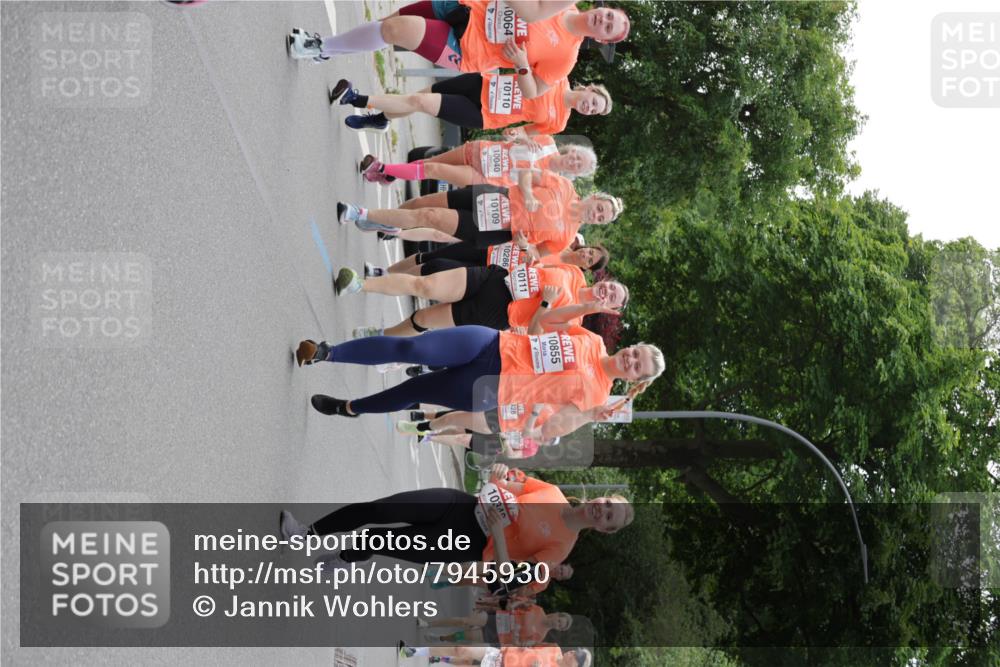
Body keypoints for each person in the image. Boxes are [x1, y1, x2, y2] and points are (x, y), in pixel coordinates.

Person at [293, 319, 662, 427]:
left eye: (636, 367)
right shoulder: (593, 339)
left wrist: (586, 417)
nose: (631, 360)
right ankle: (326, 353)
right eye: (636, 353)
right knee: (414, 347)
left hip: (489, 388)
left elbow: (556, 424)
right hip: (493, 345)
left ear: (634, 380)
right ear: (632, 346)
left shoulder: (597, 396)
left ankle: (350, 408)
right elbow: (543, 325)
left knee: (414, 388)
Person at [278, 462, 633, 573]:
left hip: (467, 542)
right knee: (380, 509)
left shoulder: (560, 547)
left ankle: (344, 558)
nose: (602, 508)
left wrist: (497, 531)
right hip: (462, 505)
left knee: (376, 538)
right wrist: (500, 474)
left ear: (604, 530)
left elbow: (509, 576)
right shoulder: (552, 492)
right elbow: (512, 481)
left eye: (608, 516)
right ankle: (305, 532)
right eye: (607, 503)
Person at [287, 0, 629, 88]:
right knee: (390, 24)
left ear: (601, 38)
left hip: (468, 47)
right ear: (603, 8)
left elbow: (535, 91)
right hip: (465, 7)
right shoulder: (562, 6)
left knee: (397, 30)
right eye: (610, 15)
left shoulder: (565, 56)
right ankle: (325, 49)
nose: (605, 20)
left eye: (610, 27)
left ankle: (321, 48)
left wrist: (523, 64)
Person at [336, 170, 623, 261]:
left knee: (431, 217)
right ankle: (379, 219)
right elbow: (526, 174)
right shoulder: (564, 186)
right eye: (601, 208)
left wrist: (525, 246)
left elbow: (536, 255)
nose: (598, 214)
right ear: (595, 197)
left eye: (603, 218)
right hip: (493, 196)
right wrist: (529, 192)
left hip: (494, 228)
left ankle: (359, 213)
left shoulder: (567, 237)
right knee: (424, 203)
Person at [338, 265, 627, 337]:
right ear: (605, 281)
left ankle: (380, 335)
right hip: (497, 281)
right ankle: (360, 284)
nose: (608, 294)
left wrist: (546, 303)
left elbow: (536, 334)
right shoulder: (574, 272)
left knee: (425, 320)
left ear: (610, 309)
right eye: (612, 288)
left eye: (613, 299)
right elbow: (540, 262)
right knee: (425, 285)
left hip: (497, 314)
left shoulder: (574, 321)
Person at [327, 73, 611, 134]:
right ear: (589, 89)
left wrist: (518, 135)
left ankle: (356, 98)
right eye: (593, 102)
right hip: (482, 84)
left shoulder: (559, 122)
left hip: (483, 114)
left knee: (418, 101)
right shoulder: (558, 76)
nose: (590, 108)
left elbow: (527, 133)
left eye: (594, 111)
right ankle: (381, 118)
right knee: (420, 96)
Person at [358, 134, 596, 186]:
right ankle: (390, 174)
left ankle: (382, 168)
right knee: (430, 162)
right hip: (482, 151)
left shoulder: (552, 181)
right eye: (577, 156)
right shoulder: (546, 142)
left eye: (578, 166)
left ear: (575, 173)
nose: (573, 161)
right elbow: (511, 135)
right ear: (572, 150)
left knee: (431, 169)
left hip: (486, 177)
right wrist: (522, 140)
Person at [365, 240, 608, 280]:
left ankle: (389, 279)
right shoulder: (561, 243)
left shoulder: (565, 273)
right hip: (492, 249)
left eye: (590, 259)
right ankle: (385, 272)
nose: (586, 255)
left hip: (493, 273)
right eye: (590, 251)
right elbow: (531, 240)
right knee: (434, 254)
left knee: (437, 268)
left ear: (587, 267)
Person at [422, 602, 571, 646]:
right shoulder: (539, 610)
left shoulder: (540, 636)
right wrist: (513, 606)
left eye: (559, 625)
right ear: (557, 615)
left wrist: (517, 636)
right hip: (497, 619)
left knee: (460, 636)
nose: (557, 623)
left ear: (558, 629)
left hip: (497, 635)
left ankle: (440, 638)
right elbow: (520, 603)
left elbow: (519, 644)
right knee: (464, 620)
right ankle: (428, 624)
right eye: (559, 620)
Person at [398, 644, 591, 667]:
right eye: (576, 650)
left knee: (463, 664)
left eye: (577, 656)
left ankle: (439, 662)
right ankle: (412, 651)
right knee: (461, 650)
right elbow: (532, 647)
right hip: (501, 654)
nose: (573, 652)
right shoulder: (555, 648)